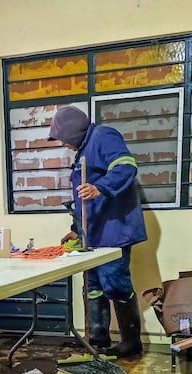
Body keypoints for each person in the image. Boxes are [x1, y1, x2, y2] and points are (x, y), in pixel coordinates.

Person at [48, 106, 147, 358]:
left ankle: (131, 343)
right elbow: (84, 202)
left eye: (62, 138)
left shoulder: (103, 136)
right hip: (93, 234)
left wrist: (100, 187)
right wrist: (77, 230)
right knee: (93, 286)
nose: (62, 144)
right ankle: (97, 340)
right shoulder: (83, 150)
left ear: (73, 131)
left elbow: (126, 166)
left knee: (116, 283)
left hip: (114, 231)